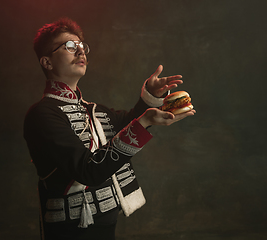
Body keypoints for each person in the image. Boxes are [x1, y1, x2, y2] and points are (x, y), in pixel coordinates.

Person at [23, 17, 195, 240]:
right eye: (69, 47)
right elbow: (88, 171)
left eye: (82, 47)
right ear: (47, 62)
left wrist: (151, 96)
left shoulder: (95, 110)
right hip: (70, 230)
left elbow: (130, 121)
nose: (81, 52)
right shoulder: (42, 115)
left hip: (105, 225)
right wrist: (142, 123)